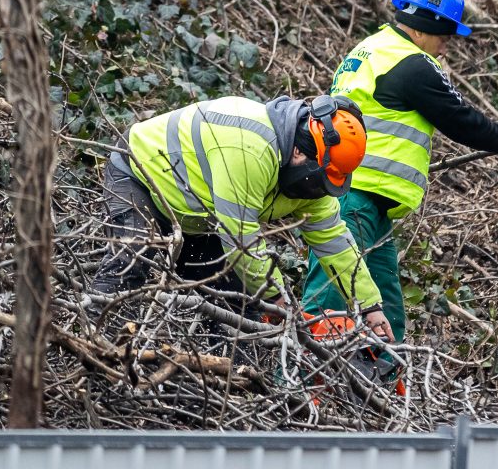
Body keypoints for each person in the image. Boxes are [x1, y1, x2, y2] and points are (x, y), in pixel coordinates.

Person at [302, 0, 498, 344]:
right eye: (445, 35)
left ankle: (385, 389)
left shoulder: (370, 49)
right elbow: (460, 120)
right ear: (424, 26)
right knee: (332, 297)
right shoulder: (412, 63)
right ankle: (303, 387)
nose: (447, 45)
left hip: (365, 201)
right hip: (357, 198)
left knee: (385, 305)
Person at [91, 94, 393, 341]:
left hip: (203, 215)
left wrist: (369, 306)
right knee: (130, 260)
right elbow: (241, 237)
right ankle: (95, 340)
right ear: (301, 154)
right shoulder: (249, 146)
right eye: (320, 180)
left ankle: (228, 385)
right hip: (141, 174)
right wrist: (280, 299)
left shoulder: (310, 177)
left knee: (235, 311)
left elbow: (333, 240)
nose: (319, 189)